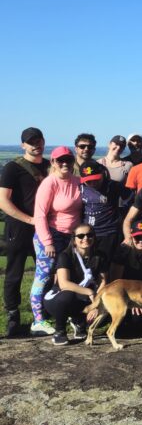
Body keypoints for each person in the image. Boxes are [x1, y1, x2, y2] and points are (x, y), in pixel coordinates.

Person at [0, 127, 49, 337]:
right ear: (23, 145)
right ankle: (13, 315)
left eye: (38, 141)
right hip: (19, 227)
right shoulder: (12, 167)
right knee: (14, 273)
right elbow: (3, 200)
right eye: (30, 142)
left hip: (44, 228)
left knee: (46, 272)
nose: (35, 145)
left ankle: (43, 314)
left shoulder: (49, 166)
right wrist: (30, 220)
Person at [30, 146, 83, 336]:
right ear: (53, 162)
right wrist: (47, 241)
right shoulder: (49, 183)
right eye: (60, 160)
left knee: (67, 279)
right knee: (43, 277)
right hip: (51, 235)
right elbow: (40, 215)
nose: (65, 164)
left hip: (72, 238)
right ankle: (38, 320)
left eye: (68, 160)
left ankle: (68, 315)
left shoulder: (77, 182)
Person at [43, 223, 109, 345]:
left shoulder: (100, 256)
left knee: (107, 310)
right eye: (81, 236)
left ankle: (79, 322)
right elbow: (64, 284)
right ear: (74, 239)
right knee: (68, 295)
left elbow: (103, 282)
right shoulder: (65, 256)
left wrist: (96, 305)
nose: (85, 238)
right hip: (58, 298)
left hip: (83, 298)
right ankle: (60, 331)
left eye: (89, 235)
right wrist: (89, 292)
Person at [79, 160, 125, 262]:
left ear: (102, 174)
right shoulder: (81, 187)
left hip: (108, 233)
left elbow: (130, 202)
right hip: (87, 233)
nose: (92, 183)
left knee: (104, 265)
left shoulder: (113, 186)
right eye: (88, 181)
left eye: (95, 179)